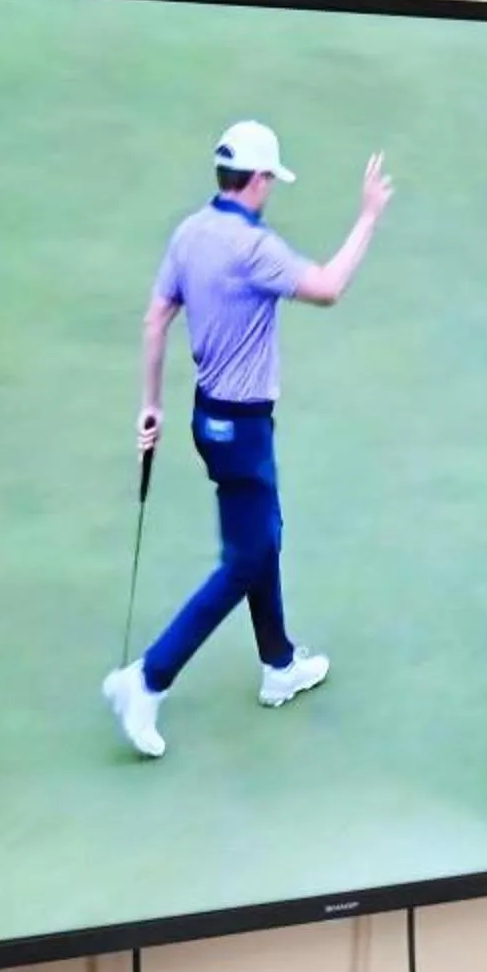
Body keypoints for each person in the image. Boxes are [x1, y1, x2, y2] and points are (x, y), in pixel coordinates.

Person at [102, 120, 394, 759]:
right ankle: (147, 680)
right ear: (258, 180)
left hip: (209, 419)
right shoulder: (251, 247)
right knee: (246, 558)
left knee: (264, 538)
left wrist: (150, 404)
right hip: (244, 429)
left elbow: (157, 319)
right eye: (272, 179)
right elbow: (328, 287)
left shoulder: (189, 232)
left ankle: (279, 662)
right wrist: (368, 216)